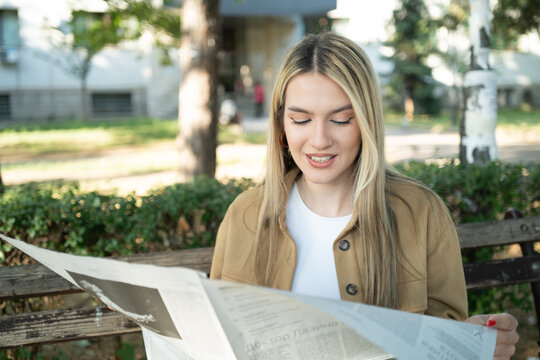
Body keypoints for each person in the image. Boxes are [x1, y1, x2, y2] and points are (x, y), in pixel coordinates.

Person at [210, 32, 518, 359]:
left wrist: (476, 341)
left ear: (367, 121)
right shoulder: (245, 214)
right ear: (281, 126)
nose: (319, 140)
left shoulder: (421, 213)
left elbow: (446, 339)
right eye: (300, 120)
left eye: (341, 120)